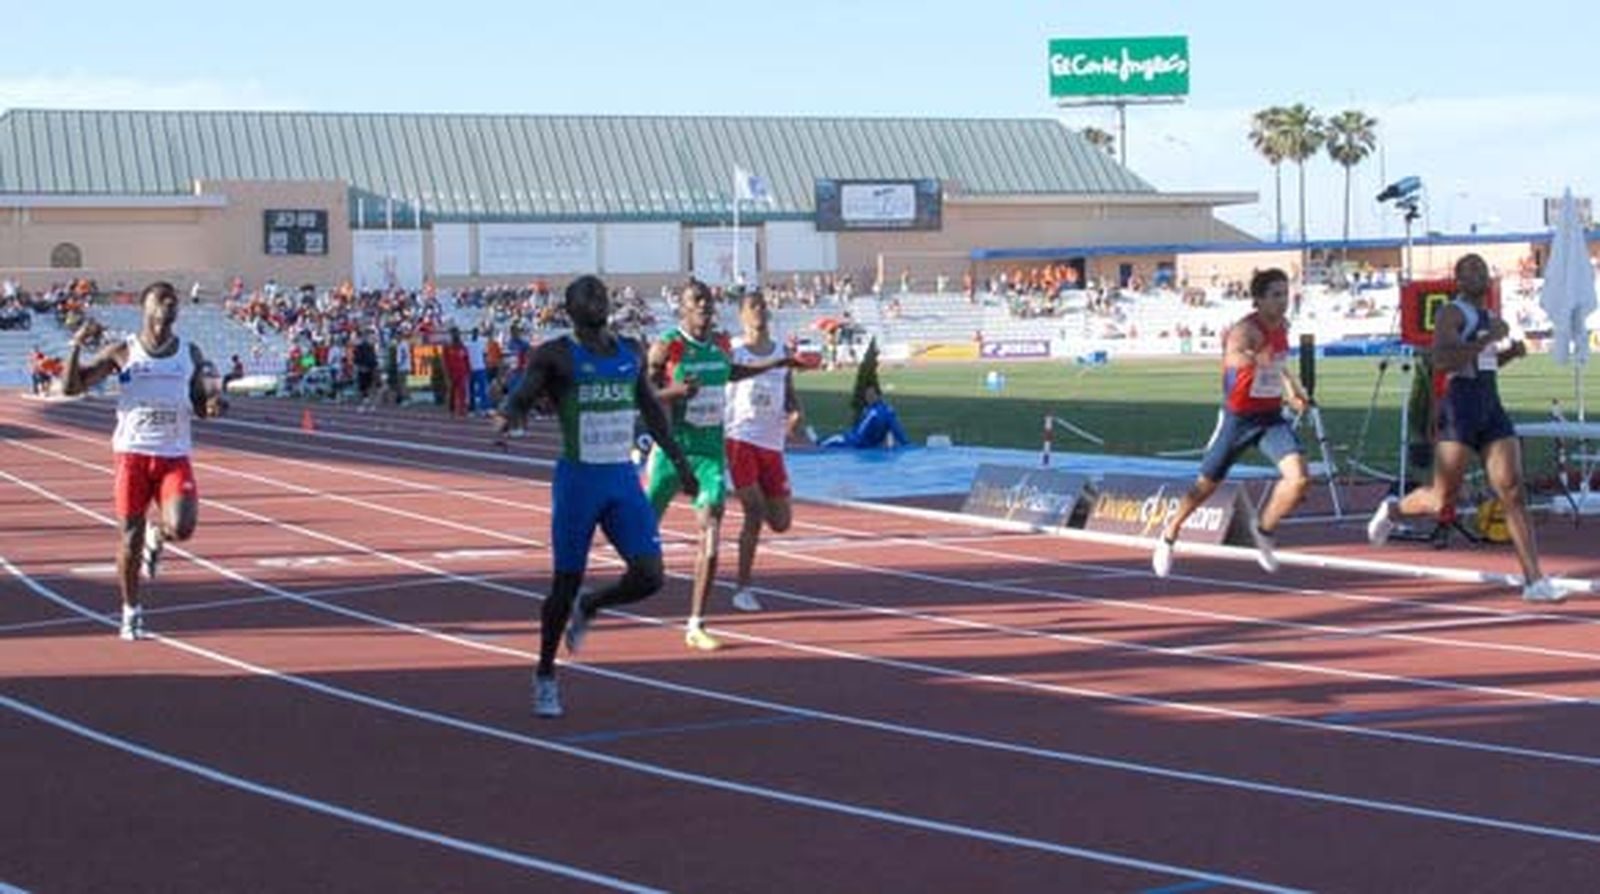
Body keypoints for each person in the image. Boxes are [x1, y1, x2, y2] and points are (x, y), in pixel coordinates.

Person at [494, 274, 697, 719]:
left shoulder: (630, 351)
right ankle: (545, 673)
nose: (598, 300)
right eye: (587, 296)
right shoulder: (558, 355)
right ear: (570, 309)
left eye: (601, 293)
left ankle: (594, 603)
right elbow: (525, 393)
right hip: (578, 482)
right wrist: (507, 415)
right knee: (563, 584)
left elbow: (651, 411)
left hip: (621, 480)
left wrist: (681, 464)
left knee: (650, 576)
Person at [1367, 253, 1561, 602]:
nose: (1478, 274)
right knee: (1443, 498)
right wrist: (1488, 338)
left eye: (1482, 269)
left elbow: (1482, 363)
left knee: (1513, 492)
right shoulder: (1451, 313)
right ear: (1458, 281)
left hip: (1490, 406)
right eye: (1469, 269)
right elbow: (1443, 360)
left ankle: (1534, 580)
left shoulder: (1489, 317)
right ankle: (1394, 510)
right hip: (1459, 409)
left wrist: (1510, 353)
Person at [57, 281, 223, 640]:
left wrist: (212, 406)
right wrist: (75, 347)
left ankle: (158, 534)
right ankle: (131, 610)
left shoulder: (189, 354)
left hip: (174, 455)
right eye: (162, 300)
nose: (169, 306)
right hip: (132, 455)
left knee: (182, 527)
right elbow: (71, 387)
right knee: (128, 539)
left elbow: (201, 405)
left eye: (173, 301)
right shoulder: (123, 352)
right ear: (144, 307)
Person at [645, 280, 797, 650]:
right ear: (682, 307)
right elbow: (645, 394)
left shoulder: (722, 344)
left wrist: (775, 363)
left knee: (711, 530)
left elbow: (732, 372)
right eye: (696, 300)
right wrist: (674, 392)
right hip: (671, 451)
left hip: (710, 452)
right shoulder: (669, 344)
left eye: (708, 300)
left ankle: (696, 623)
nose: (704, 306)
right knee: (639, 532)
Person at [1152, 268, 1311, 578]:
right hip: (1238, 419)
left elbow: (1279, 364)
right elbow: (1233, 358)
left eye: (1285, 294)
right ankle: (1170, 532)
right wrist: (1255, 359)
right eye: (1276, 295)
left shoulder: (1282, 327)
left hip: (1270, 418)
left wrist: (1292, 389)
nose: (1283, 301)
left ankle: (1263, 531)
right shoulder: (1245, 330)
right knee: (1204, 487)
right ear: (1258, 300)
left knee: (1299, 480)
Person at [723, 290, 804, 612]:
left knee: (781, 522)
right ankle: (742, 587)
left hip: (772, 443)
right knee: (753, 512)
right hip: (740, 438)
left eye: (762, 306)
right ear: (742, 316)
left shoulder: (782, 352)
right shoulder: (734, 351)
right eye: (752, 307)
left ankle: (744, 537)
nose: (759, 311)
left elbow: (789, 394)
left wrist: (795, 413)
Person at [818, 384, 910, 449]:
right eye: (867, 396)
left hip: (851, 442)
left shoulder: (873, 413)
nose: (868, 398)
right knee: (830, 439)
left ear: (878, 396)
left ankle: (815, 442)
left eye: (871, 395)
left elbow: (860, 435)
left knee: (824, 443)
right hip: (863, 443)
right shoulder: (887, 410)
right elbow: (899, 432)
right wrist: (905, 444)